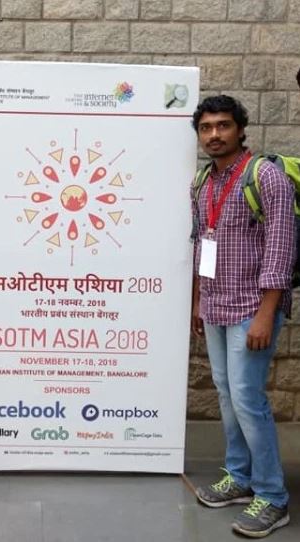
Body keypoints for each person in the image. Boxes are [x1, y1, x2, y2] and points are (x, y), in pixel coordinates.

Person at [191, 95, 294, 538]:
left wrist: (266, 314)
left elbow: (281, 248)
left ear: (240, 129)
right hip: (215, 305)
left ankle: (272, 498)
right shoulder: (203, 181)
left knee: (249, 400)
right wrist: (199, 300)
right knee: (226, 393)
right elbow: (200, 242)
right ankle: (239, 476)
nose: (215, 134)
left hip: (252, 309)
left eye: (223, 126)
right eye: (206, 127)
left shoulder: (265, 176)